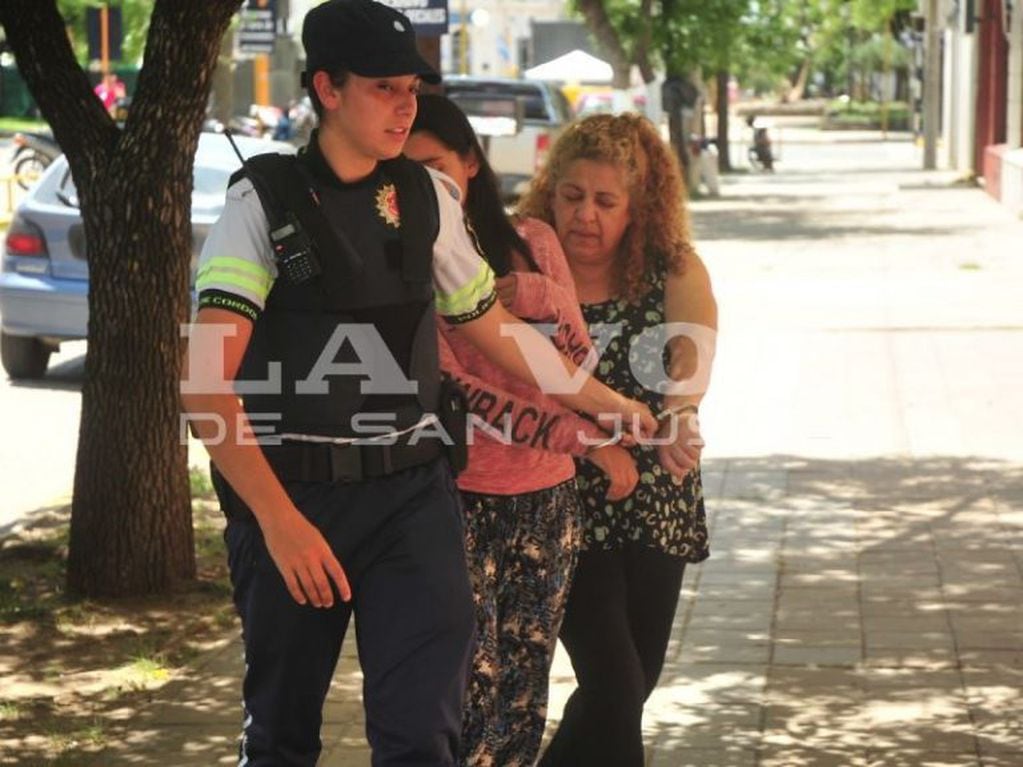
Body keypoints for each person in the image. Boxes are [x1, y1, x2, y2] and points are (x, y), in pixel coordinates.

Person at [179, 2, 655, 765]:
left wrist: (610, 405)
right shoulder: (259, 203)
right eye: (383, 88)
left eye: (412, 87)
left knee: (421, 734)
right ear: (327, 89)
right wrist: (277, 520)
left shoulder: (427, 199)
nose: (407, 106)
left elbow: (493, 331)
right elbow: (205, 387)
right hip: (293, 496)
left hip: (411, 498)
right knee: (282, 733)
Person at [403, 94, 640, 767]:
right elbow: (459, 388)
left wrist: (537, 294)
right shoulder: (408, 260)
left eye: (434, 167)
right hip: (459, 495)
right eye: (406, 171)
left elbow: (573, 357)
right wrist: (587, 442)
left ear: (470, 163)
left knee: (524, 692)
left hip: (545, 502)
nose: (424, 186)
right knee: (470, 689)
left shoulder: (532, 241)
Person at [519, 112, 718, 767]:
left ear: (639, 207)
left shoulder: (672, 268)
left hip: (652, 491)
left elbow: (688, 360)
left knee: (631, 685)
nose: (585, 216)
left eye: (606, 201)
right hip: (559, 492)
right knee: (615, 682)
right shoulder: (520, 269)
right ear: (549, 191)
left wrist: (680, 416)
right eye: (571, 196)